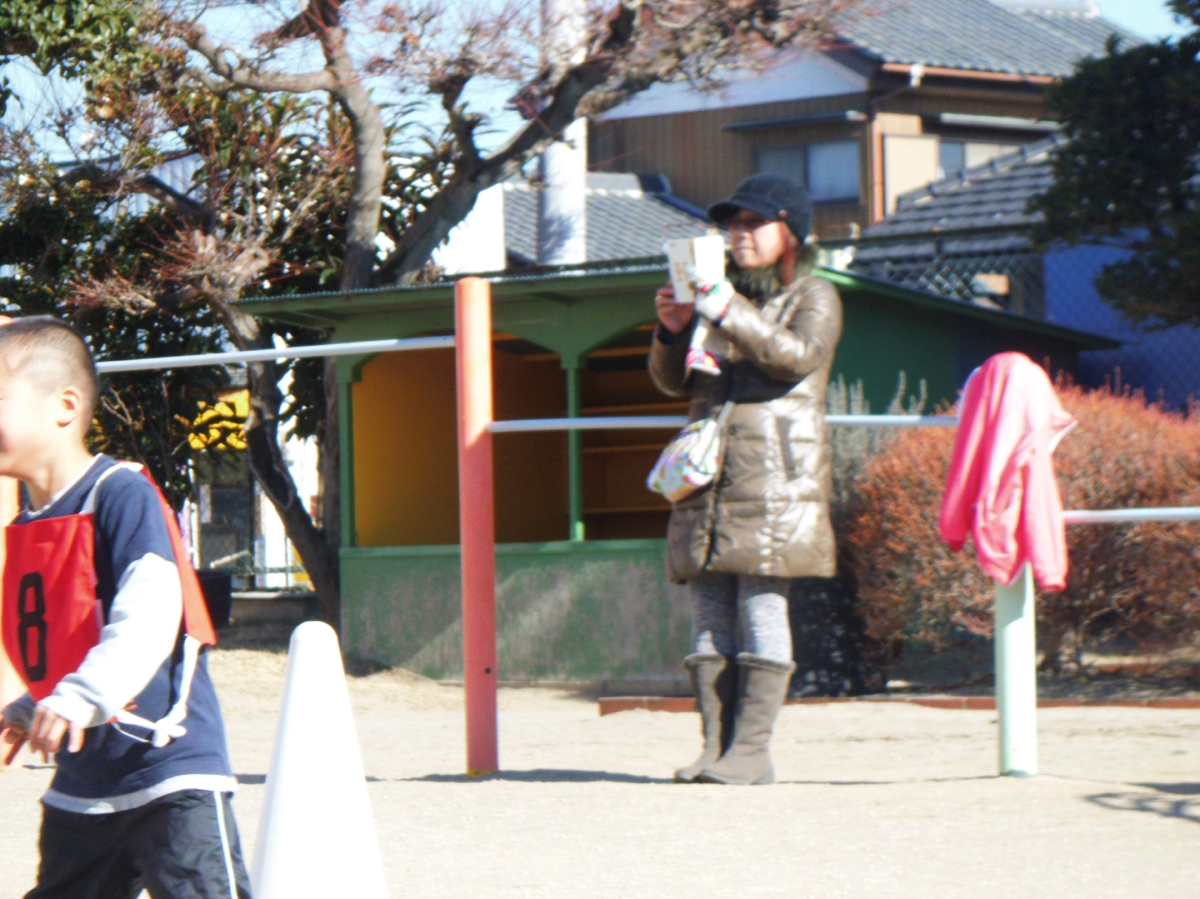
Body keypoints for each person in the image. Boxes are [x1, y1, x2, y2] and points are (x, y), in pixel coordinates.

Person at [0, 318, 252, 898]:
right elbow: (70, 633)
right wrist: (36, 704)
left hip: (166, 768)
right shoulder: (28, 524)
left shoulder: (119, 493)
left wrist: (77, 698)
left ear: (65, 407)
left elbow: (149, 616)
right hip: (85, 782)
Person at [650, 174, 843, 785]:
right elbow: (673, 383)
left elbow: (796, 358)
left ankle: (752, 751)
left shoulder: (815, 294)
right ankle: (717, 750)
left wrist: (722, 307)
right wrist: (673, 328)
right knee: (708, 608)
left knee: (760, 604)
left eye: (755, 222)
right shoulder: (720, 298)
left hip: (775, 478)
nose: (740, 233)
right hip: (709, 477)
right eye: (733, 223)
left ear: (792, 232)